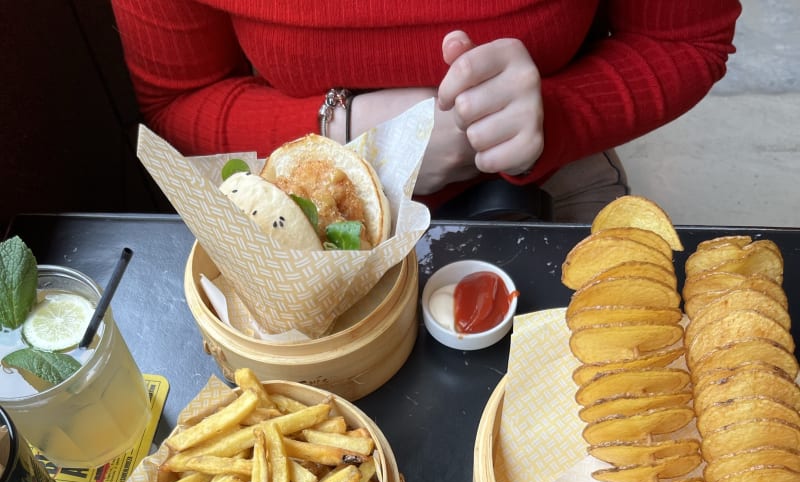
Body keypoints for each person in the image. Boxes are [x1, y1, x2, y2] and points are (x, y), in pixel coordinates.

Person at [109, 1, 742, 221]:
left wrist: (553, 116)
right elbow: (177, 101)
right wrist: (343, 130)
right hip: (291, 188)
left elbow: (686, 37)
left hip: (552, 173)